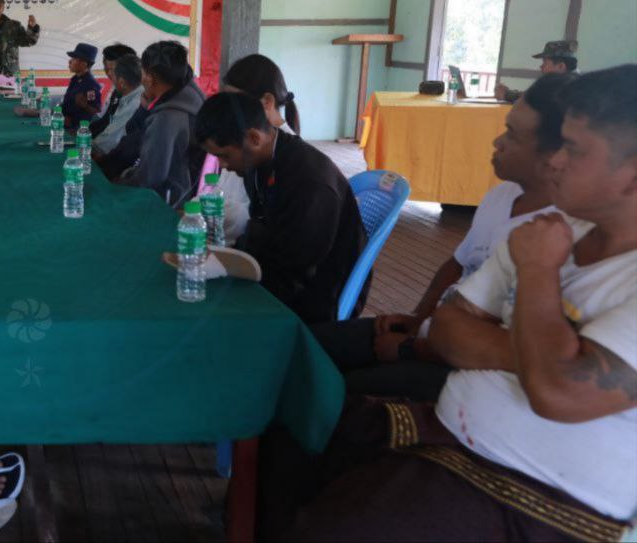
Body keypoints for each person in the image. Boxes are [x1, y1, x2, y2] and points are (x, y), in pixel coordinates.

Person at [266, 64, 637, 541]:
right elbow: (448, 327)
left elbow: (558, 393)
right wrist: (551, 356)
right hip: (456, 434)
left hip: (537, 492)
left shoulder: (544, 249)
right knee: (296, 426)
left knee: (335, 526)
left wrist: (538, 273)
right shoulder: (551, 231)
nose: (556, 161)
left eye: (574, 149)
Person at [310, 73, 569, 401]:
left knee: (340, 393)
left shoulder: (556, 235)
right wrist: (418, 319)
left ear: (556, 154)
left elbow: (503, 349)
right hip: (435, 334)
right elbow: (456, 264)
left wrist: (410, 349)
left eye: (513, 135)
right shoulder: (501, 196)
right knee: (309, 346)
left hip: (465, 365)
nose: (497, 142)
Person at [196, 92, 365, 323]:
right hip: (280, 271)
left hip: (317, 295)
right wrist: (229, 260)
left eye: (224, 156)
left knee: (214, 313)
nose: (223, 166)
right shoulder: (260, 161)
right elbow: (263, 232)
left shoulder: (310, 182)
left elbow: (296, 272)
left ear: (254, 138)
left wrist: (236, 288)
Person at [216, 54, 301, 243]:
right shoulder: (246, 140)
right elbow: (223, 193)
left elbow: (247, 218)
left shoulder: (288, 159)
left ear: (266, 102)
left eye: (236, 104)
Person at [114, 41, 206, 206]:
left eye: (143, 72)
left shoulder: (166, 118)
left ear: (149, 78)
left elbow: (149, 178)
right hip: (193, 194)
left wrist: (118, 184)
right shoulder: (193, 94)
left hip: (170, 203)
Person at [92, 53, 144, 156]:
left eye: (113, 76)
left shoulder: (133, 104)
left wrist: (86, 145)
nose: (111, 79)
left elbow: (105, 144)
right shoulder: (132, 94)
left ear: (122, 82)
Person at [495, 39, 578, 102]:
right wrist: (508, 93)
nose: (541, 66)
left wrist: (506, 94)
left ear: (561, 66)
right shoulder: (574, 82)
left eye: (545, 62)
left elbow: (534, 98)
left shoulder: (566, 88)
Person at [90, 43, 138, 139]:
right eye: (106, 69)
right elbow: (106, 121)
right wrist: (85, 132)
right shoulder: (117, 92)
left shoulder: (137, 96)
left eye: (113, 69)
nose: (109, 74)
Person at [59, 43, 103, 130]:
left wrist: (85, 105)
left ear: (84, 64)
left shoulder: (91, 85)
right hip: (63, 121)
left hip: (75, 129)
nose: (70, 61)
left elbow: (95, 109)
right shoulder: (75, 79)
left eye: (74, 58)